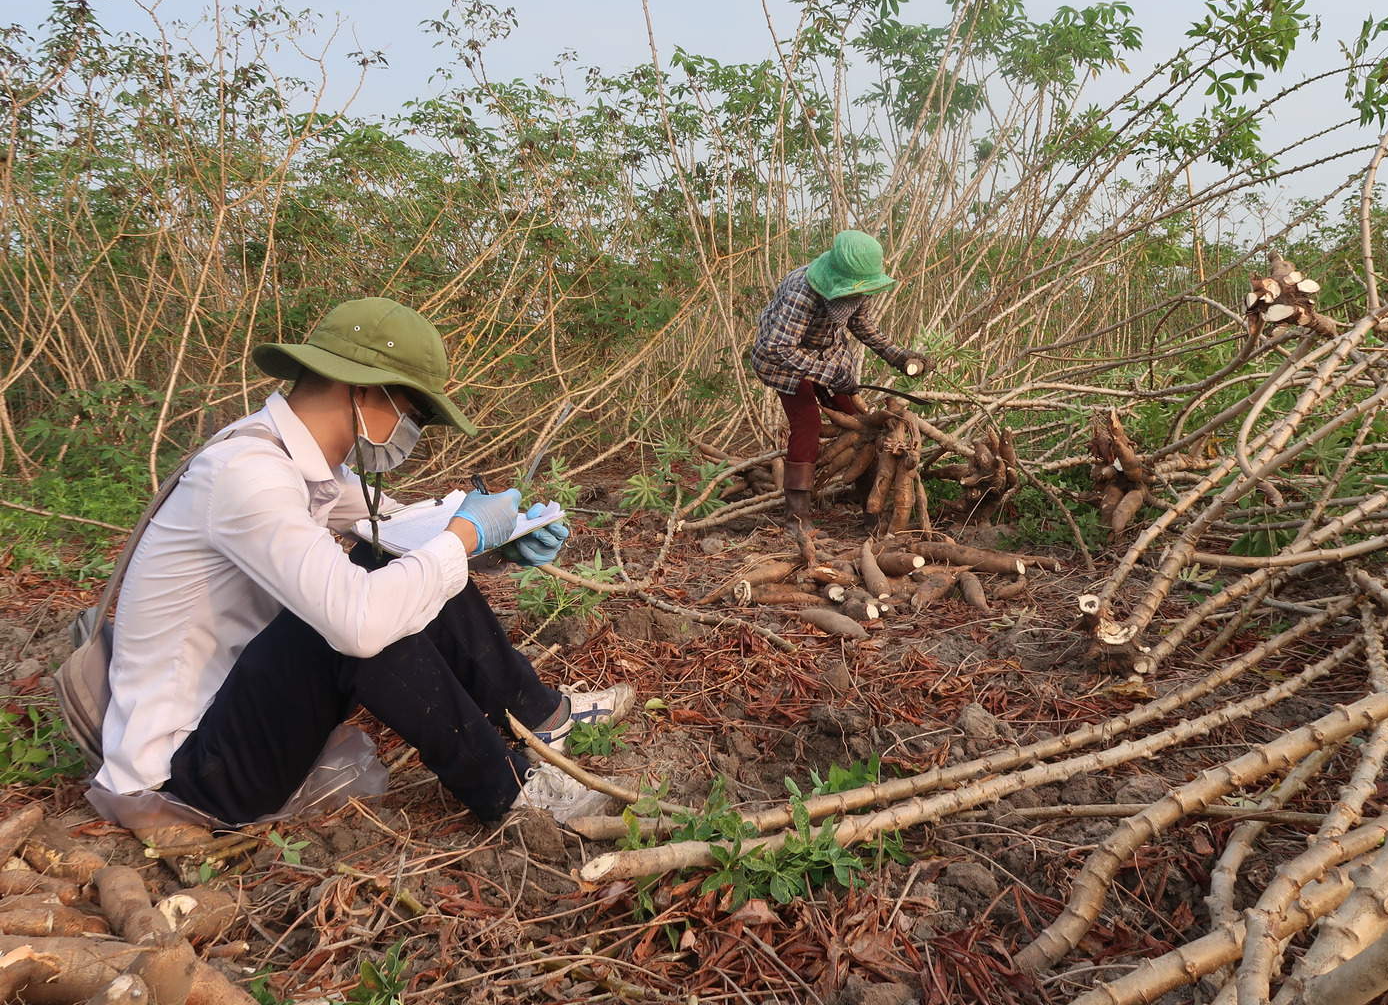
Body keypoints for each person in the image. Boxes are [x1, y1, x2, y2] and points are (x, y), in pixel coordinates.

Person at [91, 297, 630, 829]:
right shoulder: (246, 473)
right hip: (185, 773)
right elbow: (359, 622)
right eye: (415, 414)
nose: (413, 432)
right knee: (353, 621)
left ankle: (542, 717)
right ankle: (510, 793)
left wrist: (497, 542)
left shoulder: (301, 466)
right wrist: (462, 536)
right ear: (363, 388)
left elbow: (405, 534)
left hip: (234, 720)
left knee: (387, 562)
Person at [750, 231, 931, 531]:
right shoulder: (802, 290)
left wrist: (899, 356)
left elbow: (861, 325)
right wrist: (829, 375)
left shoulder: (859, 287)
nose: (857, 298)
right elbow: (779, 348)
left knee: (859, 424)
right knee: (807, 422)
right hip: (782, 361)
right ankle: (797, 517)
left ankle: (871, 506)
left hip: (827, 354)